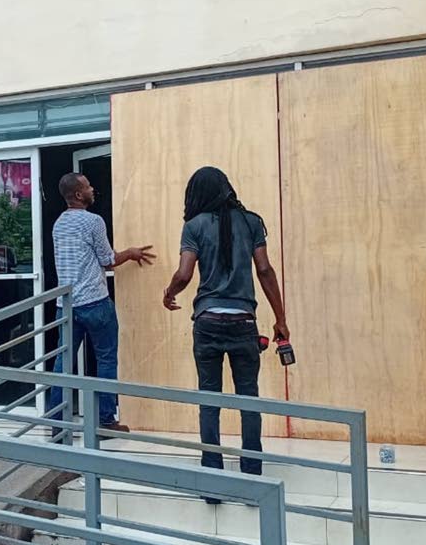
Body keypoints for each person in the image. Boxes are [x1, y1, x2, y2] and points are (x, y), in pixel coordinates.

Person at [162, 167, 289, 496]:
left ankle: (213, 480)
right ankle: (251, 477)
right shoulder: (251, 222)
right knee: (249, 398)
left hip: (207, 322)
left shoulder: (194, 226)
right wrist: (280, 318)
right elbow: (264, 270)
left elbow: (184, 273)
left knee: (209, 399)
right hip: (243, 322)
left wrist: (169, 292)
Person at [46, 172, 154, 435]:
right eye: (88, 186)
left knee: (63, 362)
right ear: (79, 195)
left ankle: (57, 423)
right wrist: (131, 252)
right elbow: (108, 260)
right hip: (95, 302)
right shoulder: (94, 221)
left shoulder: (59, 224)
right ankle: (106, 421)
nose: (93, 188)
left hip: (67, 306)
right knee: (106, 359)